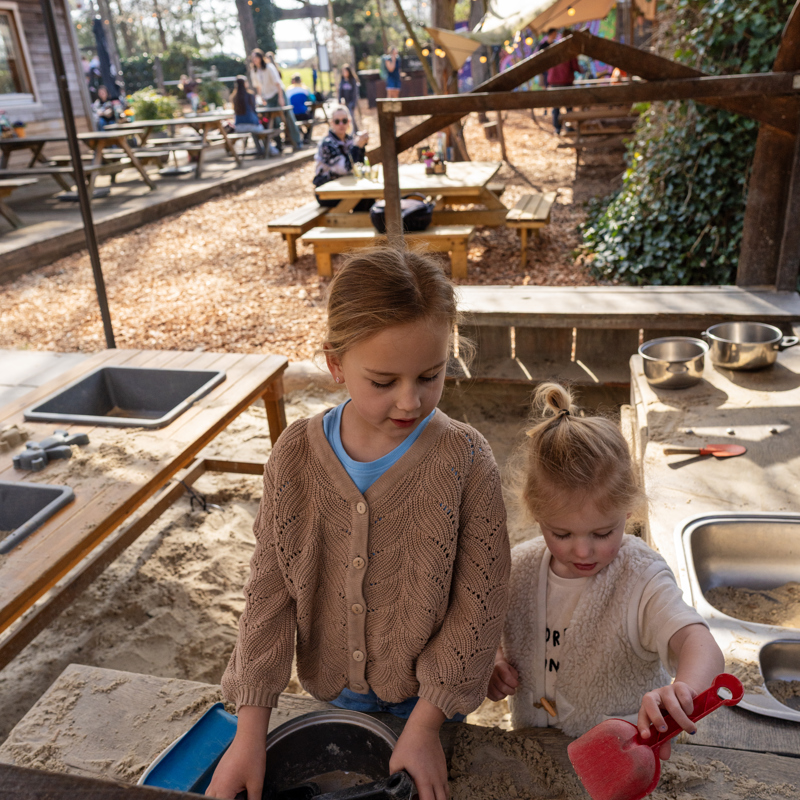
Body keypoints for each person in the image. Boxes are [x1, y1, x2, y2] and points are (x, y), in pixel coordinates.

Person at [206, 247, 511, 800]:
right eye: (382, 380)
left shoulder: (466, 461)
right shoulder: (294, 456)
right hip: (334, 694)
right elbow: (269, 593)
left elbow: (481, 603)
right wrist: (249, 730)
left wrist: (424, 726)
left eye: (431, 375)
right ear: (335, 363)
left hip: (433, 701)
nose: (409, 400)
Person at [488, 383, 725, 758]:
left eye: (603, 532)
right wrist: (495, 662)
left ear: (627, 510)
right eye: (561, 532)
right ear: (535, 512)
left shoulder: (640, 577)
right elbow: (494, 633)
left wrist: (685, 691)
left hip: (624, 757)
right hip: (535, 751)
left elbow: (700, 645)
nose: (582, 550)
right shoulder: (519, 568)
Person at [313, 105, 370, 208]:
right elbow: (344, 169)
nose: (341, 124)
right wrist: (357, 147)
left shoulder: (349, 140)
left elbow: (359, 166)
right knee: (364, 200)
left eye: (344, 121)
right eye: (337, 121)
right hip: (326, 192)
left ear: (349, 122)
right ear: (331, 123)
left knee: (367, 199)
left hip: (345, 188)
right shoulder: (327, 144)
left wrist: (361, 147)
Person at [249, 48, 304, 152]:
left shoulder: (269, 67)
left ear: (261, 58)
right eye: (253, 58)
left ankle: (297, 142)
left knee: (288, 117)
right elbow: (258, 87)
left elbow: (278, 83)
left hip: (277, 94)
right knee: (272, 120)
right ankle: (279, 144)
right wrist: (261, 98)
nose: (255, 60)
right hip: (268, 97)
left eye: (256, 57)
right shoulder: (255, 71)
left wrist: (280, 97)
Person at [231, 75, 272, 157]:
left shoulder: (234, 97)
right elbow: (254, 110)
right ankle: (269, 151)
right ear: (245, 84)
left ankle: (260, 150)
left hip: (239, 127)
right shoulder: (250, 95)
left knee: (254, 132)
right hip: (252, 125)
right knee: (259, 130)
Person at [545, 50, 582, 134]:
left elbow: (547, 66)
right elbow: (575, 66)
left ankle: (557, 128)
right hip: (566, 82)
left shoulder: (553, 51)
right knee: (568, 107)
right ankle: (568, 127)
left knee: (556, 106)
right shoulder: (570, 52)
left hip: (554, 81)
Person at [286, 73, 315, 144]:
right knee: (312, 117)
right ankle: (306, 136)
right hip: (303, 114)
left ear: (293, 81)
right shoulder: (305, 88)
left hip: (292, 115)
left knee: (295, 122)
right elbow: (313, 99)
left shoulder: (288, 90)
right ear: (300, 80)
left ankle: (303, 135)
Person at [338, 64, 361, 128]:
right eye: (343, 72)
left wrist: (353, 102)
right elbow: (340, 92)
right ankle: (355, 131)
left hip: (352, 102)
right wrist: (340, 100)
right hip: (345, 102)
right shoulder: (342, 81)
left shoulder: (353, 81)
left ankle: (353, 132)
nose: (344, 73)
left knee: (351, 117)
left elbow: (355, 93)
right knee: (347, 117)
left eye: (345, 71)